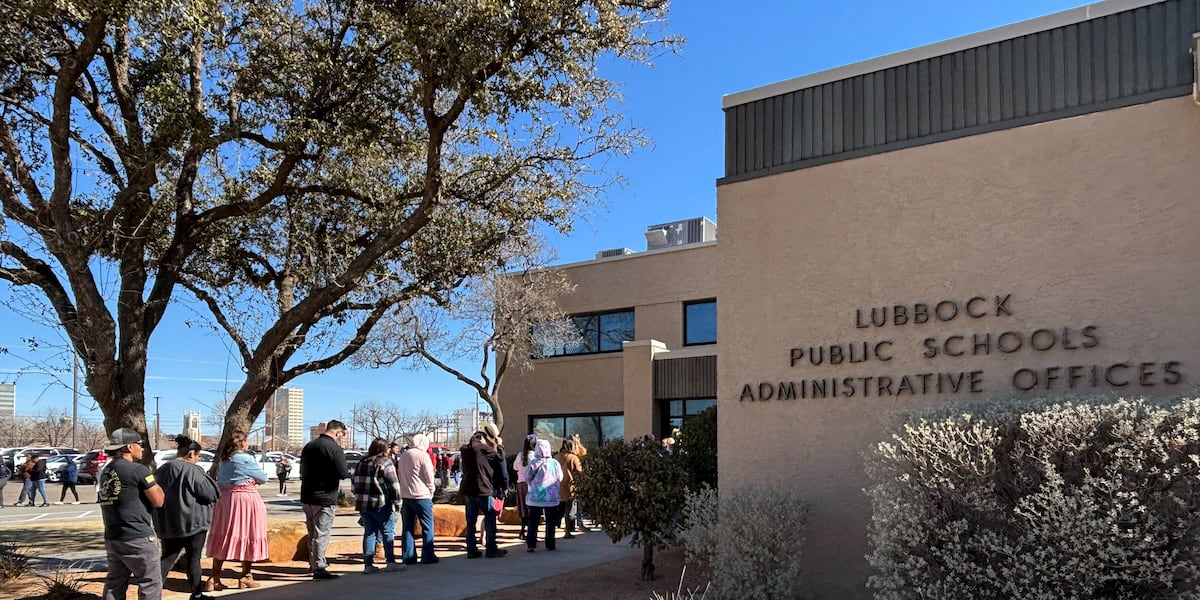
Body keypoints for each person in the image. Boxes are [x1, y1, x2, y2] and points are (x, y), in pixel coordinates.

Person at [98, 427, 165, 600]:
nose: (142, 448)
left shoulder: (106, 471)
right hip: (137, 537)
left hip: (114, 536)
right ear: (129, 447)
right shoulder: (138, 470)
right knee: (150, 582)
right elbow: (158, 500)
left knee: (115, 583)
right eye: (139, 444)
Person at [156, 435, 220, 600]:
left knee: (167, 558)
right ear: (192, 453)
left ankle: (152, 594)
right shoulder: (193, 470)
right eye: (198, 455)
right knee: (193, 558)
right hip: (194, 522)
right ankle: (197, 594)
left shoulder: (161, 470)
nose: (197, 459)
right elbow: (211, 493)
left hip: (167, 522)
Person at [205, 430, 269, 591]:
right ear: (242, 443)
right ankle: (246, 576)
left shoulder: (224, 460)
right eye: (246, 441)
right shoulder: (246, 459)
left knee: (223, 535)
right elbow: (263, 478)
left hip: (225, 500)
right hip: (245, 500)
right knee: (249, 533)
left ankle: (214, 577)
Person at [300, 419, 350, 580]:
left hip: (307, 495)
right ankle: (319, 567)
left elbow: (302, 470)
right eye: (341, 434)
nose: (341, 437)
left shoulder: (309, 446)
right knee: (321, 534)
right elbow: (343, 473)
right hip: (325, 497)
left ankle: (313, 564)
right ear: (337, 432)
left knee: (312, 533)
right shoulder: (334, 448)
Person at [351, 437, 403, 574]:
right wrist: (398, 502)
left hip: (364, 504)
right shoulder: (385, 463)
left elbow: (354, 483)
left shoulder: (361, 462)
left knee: (369, 533)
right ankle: (390, 562)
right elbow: (394, 485)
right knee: (387, 533)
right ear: (384, 449)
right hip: (381, 504)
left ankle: (368, 565)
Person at [459, 421, 508, 559]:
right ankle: (491, 549)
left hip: (468, 490)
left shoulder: (465, 450)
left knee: (471, 522)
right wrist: (499, 444)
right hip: (483, 489)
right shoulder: (482, 448)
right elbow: (499, 457)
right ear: (481, 439)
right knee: (490, 519)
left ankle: (471, 550)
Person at [398, 433, 438, 566]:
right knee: (427, 527)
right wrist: (431, 491)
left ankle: (408, 556)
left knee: (407, 528)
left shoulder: (403, 455)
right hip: (422, 496)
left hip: (406, 496)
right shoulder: (423, 455)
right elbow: (429, 476)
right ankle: (428, 555)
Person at [524, 439, 563, 552]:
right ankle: (550, 544)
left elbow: (527, 477)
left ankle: (531, 544)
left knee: (533, 522)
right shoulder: (555, 463)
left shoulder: (533, 462)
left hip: (535, 498)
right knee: (550, 522)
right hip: (551, 498)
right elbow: (560, 477)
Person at [556, 438, 584, 538]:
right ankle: (568, 531)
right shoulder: (573, 458)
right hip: (570, 486)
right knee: (570, 510)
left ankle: (555, 526)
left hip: (557, 486)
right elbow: (580, 472)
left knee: (559, 509)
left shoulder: (556, 457)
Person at [512, 435, 537, 539]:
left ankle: (522, 530)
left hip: (521, 483)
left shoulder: (520, 455)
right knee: (532, 508)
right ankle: (532, 532)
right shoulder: (535, 456)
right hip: (531, 484)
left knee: (523, 508)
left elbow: (515, 467)